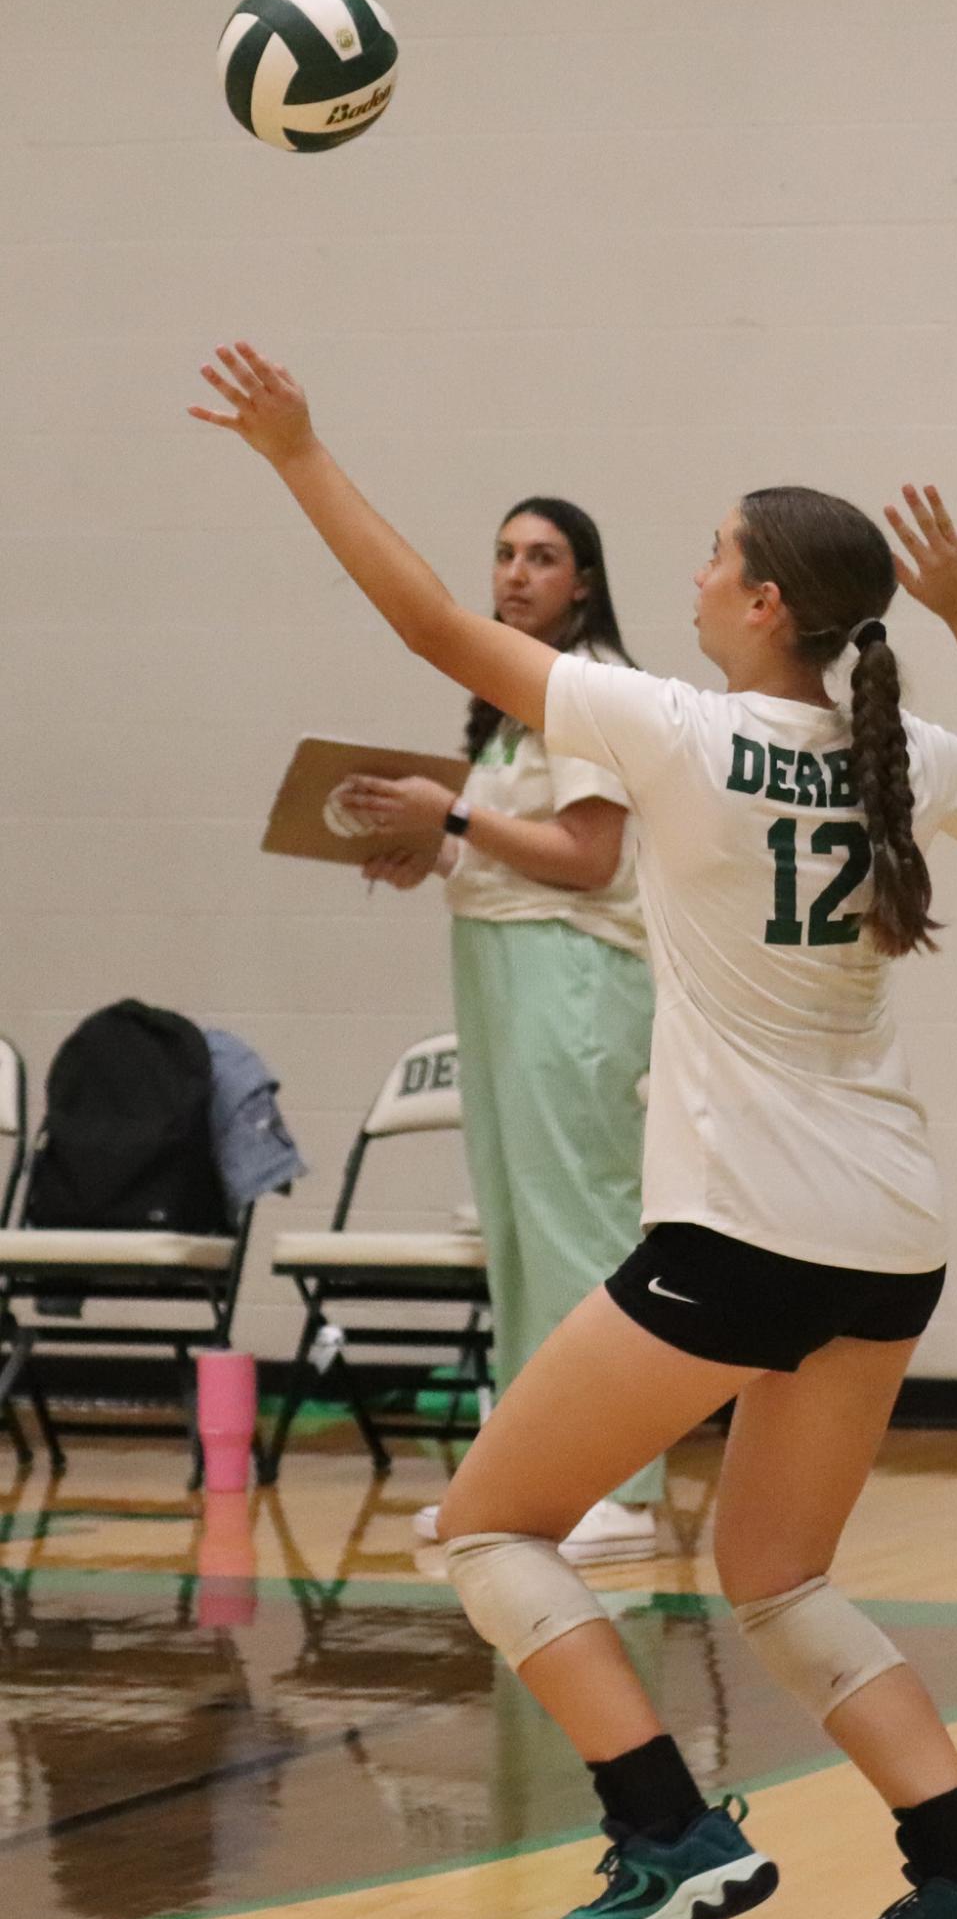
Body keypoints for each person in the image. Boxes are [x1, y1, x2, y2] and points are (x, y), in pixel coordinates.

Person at [191, 341, 957, 1919]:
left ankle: (670, 1840)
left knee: (480, 1527)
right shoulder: (898, 755)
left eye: (714, 554)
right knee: (781, 1576)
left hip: (747, 1228)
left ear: (760, 605)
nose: (696, 573)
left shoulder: (676, 729)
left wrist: (297, 451)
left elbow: (431, 628)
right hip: (889, 1230)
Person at [333, 497, 663, 1565]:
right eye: (505, 555)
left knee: (581, 1229)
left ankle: (622, 1486)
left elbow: (589, 857)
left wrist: (455, 816)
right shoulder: (512, 701)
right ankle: (530, 1479)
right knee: (517, 1237)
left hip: (573, 978)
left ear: (585, 582)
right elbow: (517, 850)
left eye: (544, 558)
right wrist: (429, 848)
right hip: (500, 963)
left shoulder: (592, 690)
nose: (516, 574)